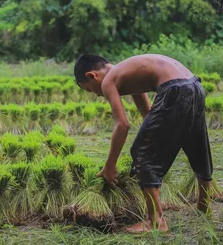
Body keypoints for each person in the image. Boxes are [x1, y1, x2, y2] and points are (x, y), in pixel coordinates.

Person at [73, 54, 213, 233]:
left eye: (90, 90)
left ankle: (156, 221)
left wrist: (110, 165)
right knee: (197, 143)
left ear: (91, 76)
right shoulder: (128, 72)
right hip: (194, 85)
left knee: (141, 152)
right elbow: (148, 115)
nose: (98, 95)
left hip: (175, 89)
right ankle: (204, 205)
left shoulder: (108, 81)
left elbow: (123, 124)